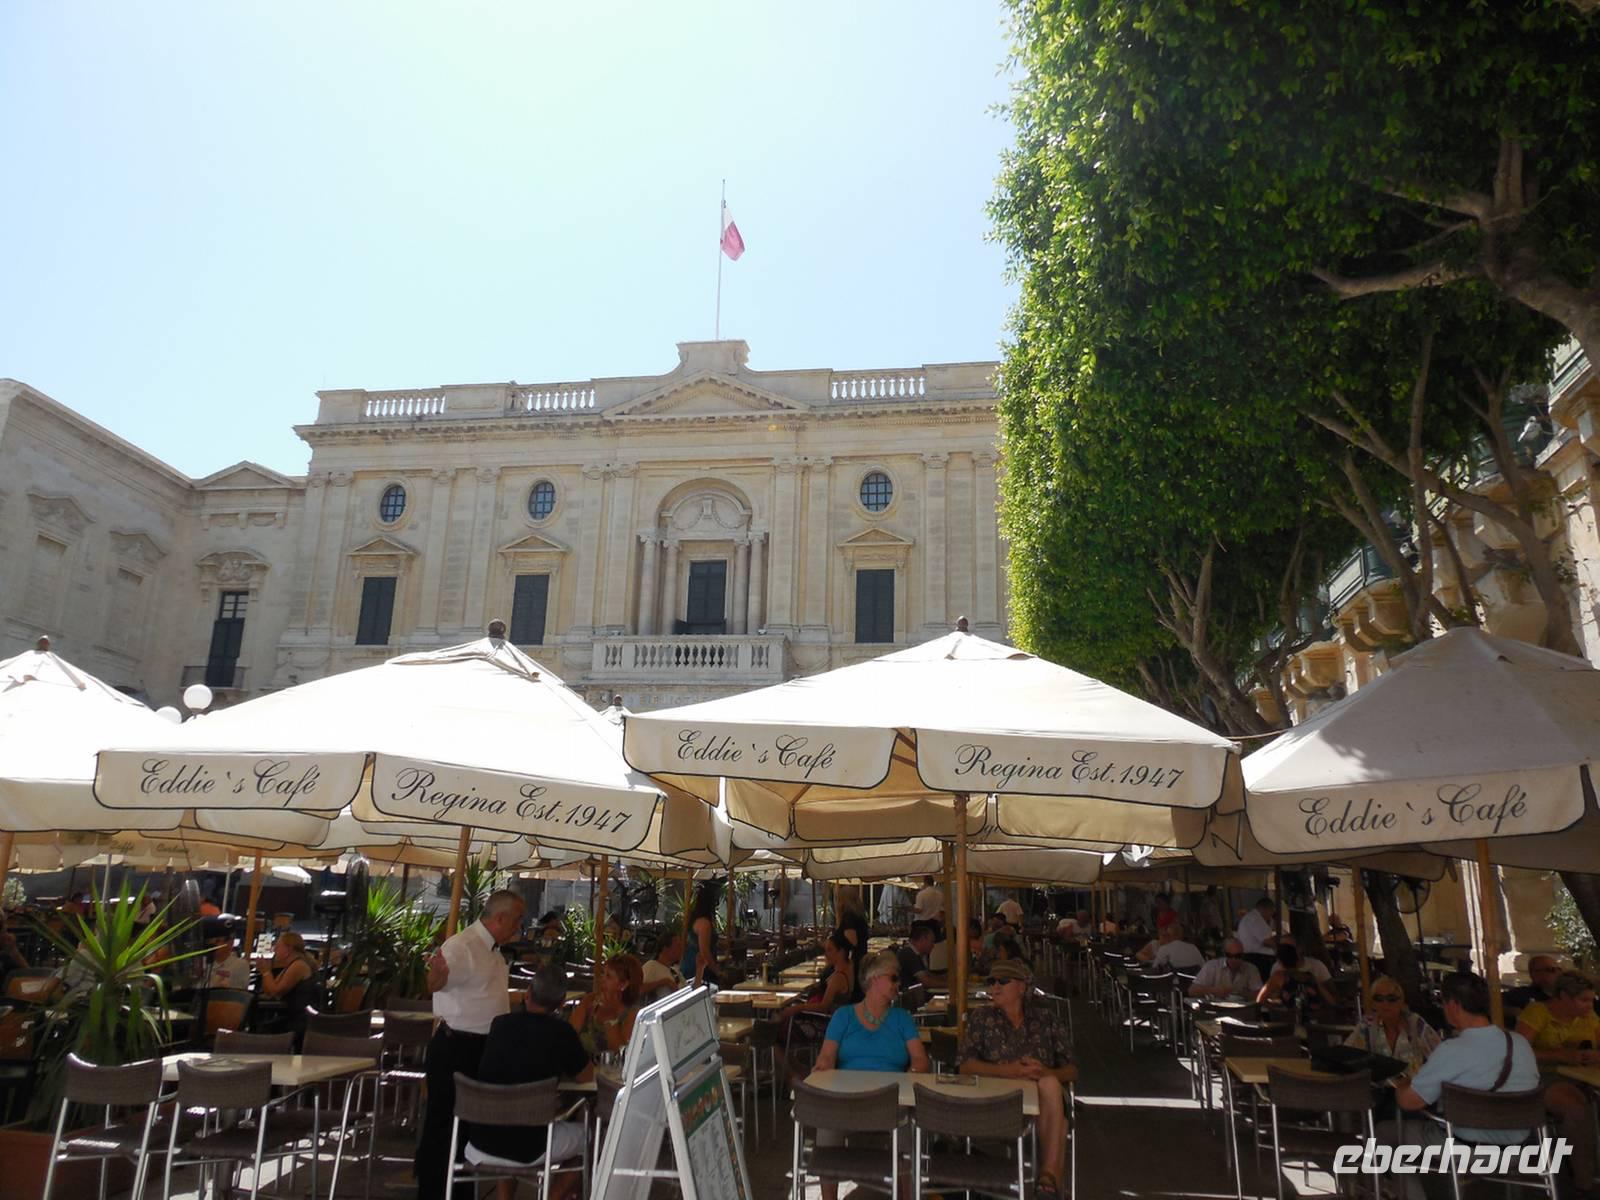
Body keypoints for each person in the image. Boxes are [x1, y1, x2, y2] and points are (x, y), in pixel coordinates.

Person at [416, 889, 526, 1200]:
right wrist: (436, 975)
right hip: (457, 1049)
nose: (519, 927)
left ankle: (460, 1193)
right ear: (500, 918)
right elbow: (436, 982)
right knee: (445, 1129)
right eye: (517, 920)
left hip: (481, 1049)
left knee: (466, 1131)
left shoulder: (491, 950)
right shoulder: (462, 946)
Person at [1393, 974, 1541, 1197]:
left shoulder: (1451, 1050)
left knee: (1386, 1134)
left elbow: (1408, 1102)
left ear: (1453, 1005)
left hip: (1466, 1149)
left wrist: (1403, 1082)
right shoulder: (1520, 1043)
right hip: (1519, 1149)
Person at [809, 951, 930, 1200]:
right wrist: (822, 1066)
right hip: (847, 1100)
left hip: (891, 1101)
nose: (898, 984)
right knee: (826, 1122)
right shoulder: (843, 1016)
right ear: (874, 979)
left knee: (907, 1127)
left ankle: (907, 1195)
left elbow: (920, 1059)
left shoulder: (902, 1019)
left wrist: (911, 1075)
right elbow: (827, 1055)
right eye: (893, 978)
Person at [466, 968, 593, 1200]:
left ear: (528, 993)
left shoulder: (499, 1025)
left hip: (479, 1142)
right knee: (591, 1139)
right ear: (561, 1003)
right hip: (530, 1147)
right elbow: (586, 1077)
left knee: (511, 1120)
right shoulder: (562, 1033)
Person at [961, 960, 1076, 1200]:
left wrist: (1045, 1071)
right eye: (991, 981)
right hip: (998, 1101)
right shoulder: (981, 1018)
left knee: (1049, 1084)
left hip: (1042, 1097)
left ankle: (1047, 1178)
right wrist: (1007, 1070)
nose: (995, 987)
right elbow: (966, 1066)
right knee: (1059, 1120)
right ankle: (1049, 1180)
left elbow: (1072, 1070)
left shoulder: (1046, 1019)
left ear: (1022, 987)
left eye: (1003, 981)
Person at [1515, 969, 1600, 1193]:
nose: (1590, 1005)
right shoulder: (1538, 1012)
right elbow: (1519, 1050)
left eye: (1591, 1000)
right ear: (1563, 996)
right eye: (1583, 1000)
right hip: (1541, 1078)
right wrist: (1559, 1055)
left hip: (1582, 1076)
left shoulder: (1589, 1017)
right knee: (1575, 1108)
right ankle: (1584, 1180)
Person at [1346, 975, 1441, 1068]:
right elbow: (1346, 1055)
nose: (1385, 1003)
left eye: (1391, 999)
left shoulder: (1415, 1024)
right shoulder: (1367, 1026)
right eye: (1378, 999)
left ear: (1402, 1001)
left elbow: (1441, 1056)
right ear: (1373, 1003)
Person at [569, 954, 643, 1058]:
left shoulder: (632, 1014)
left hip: (609, 1067)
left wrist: (610, 1018)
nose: (602, 979)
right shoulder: (590, 1000)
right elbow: (569, 1034)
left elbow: (620, 1053)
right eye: (603, 973)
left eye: (608, 976)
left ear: (623, 985)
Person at [256, 930, 317, 1043]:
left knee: (262, 1028)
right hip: (289, 1014)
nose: (274, 949)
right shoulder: (290, 966)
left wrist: (266, 972)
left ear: (289, 949)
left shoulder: (298, 965)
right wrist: (265, 972)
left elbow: (276, 991)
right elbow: (269, 991)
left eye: (278, 946)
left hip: (298, 1018)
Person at [1257, 943, 1336, 1011]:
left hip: (1291, 1019)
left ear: (1280, 962)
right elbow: (1331, 1000)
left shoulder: (1279, 976)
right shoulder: (1310, 976)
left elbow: (1260, 1000)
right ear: (1297, 959)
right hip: (1313, 1018)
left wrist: (1277, 1009)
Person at [1189, 939, 1264, 999]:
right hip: (1216, 1008)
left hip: (1242, 1010)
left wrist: (1239, 993)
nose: (1234, 959)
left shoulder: (1251, 969)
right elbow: (1192, 991)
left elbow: (1260, 994)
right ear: (1224, 954)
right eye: (1230, 955)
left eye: (1238, 956)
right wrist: (1213, 990)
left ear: (1243, 955)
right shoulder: (1212, 966)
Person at [681, 879, 723, 987]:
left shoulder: (696, 919)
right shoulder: (704, 923)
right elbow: (704, 951)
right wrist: (716, 971)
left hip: (692, 964)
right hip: (699, 967)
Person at [1236, 896, 1279, 980]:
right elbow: (1266, 942)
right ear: (1265, 909)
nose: (1271, 915)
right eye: (1271, 912)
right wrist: (1280, 946)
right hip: (1258, 958)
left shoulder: (1252, 917)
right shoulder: (1255, 919)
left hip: (1253, 956)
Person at [894, 921, 945, 990]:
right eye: (931, 942)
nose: (933, 946)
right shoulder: (909, 954)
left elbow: (927, 975)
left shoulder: (913, 952)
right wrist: (950, 984)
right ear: (922, 940)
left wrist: (944, 978)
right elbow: (926, 982)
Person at [640, 931, 684, 1001]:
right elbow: (638, 989)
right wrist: (663, 982)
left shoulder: (675, 970)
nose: (681, 949)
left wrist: (699, 968)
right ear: (665, 949)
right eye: (678, 946)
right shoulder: (651, 966)